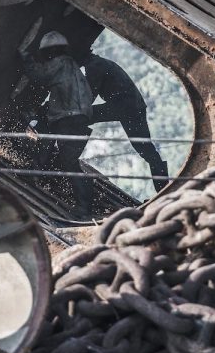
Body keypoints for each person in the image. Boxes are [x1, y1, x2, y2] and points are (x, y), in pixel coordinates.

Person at [21, 31, 95, 215]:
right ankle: (33, 172)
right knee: (48, 138)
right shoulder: (73, 68)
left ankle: (84, 206)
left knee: (68, 162)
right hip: (76, 117)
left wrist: (26, 59)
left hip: (68, 118)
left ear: (50, 52)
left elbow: (40, 75)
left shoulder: (61, 63)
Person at [78, 52, 169, 192]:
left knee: (81, 117)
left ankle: (69, 154)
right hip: (134, 106)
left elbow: (88, 97)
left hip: (123, 106)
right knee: (147, 150)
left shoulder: (94, 66)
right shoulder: (100, 62)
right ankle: (163, 189)